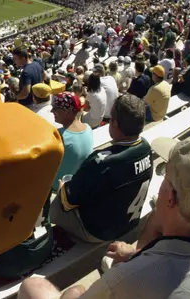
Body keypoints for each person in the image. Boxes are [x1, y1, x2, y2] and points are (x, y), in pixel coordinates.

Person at [20, 136, 190, 299]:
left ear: (171, 197)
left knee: (37, 287)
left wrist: (74, 292)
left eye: (164, 174)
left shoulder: (127, 278)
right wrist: (136, 255)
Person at [50, 95, 153, 243]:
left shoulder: (101, 162)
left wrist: (61, 189)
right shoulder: (146, 148)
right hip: (128, 222)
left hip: (99, 232)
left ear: (115, 124)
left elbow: (68, 202)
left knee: (56, 205)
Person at [50, 92, 93, 191]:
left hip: (58, 187)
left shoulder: (59, 136)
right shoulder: (88, 128)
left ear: (68, 112)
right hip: (76, 183)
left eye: (56, 108)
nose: (52, 111)